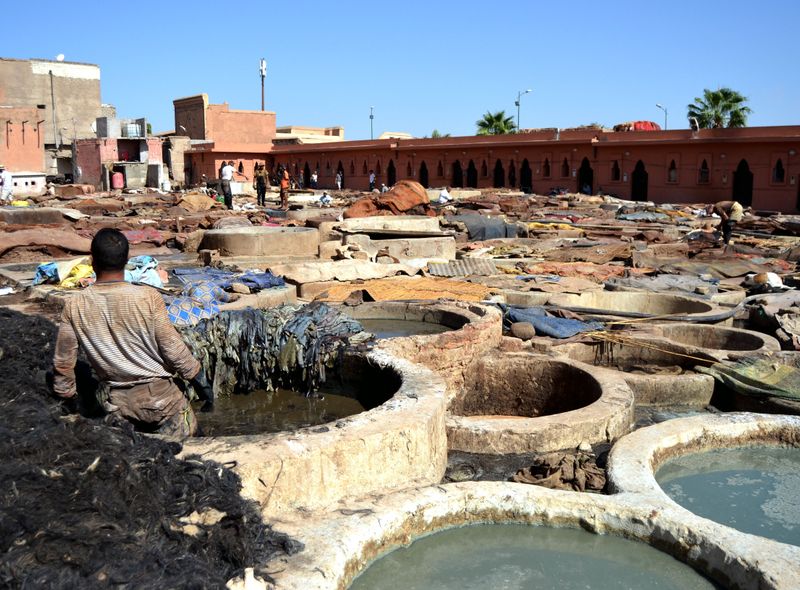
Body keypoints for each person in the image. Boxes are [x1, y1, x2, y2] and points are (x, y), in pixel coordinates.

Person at [53, 229, 214, 438]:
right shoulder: (147, 297)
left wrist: (69, 402)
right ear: (127, 260)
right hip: (165, 403)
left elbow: (64, 363)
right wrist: (200, 383)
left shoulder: (75, 305)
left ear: (92, 262)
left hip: (120, 408)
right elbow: (172, 348)